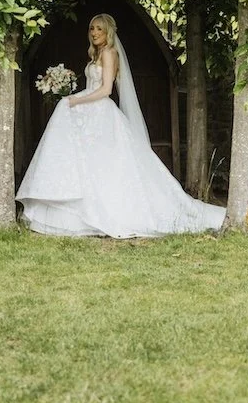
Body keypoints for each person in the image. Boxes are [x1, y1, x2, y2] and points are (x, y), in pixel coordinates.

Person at [16, 14, 226, 238]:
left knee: (106, 161)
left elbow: (106, 90)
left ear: (108, 32)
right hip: (89, 111)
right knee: (87, 161)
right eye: (91, 28)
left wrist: (76, 100)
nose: (94, 33)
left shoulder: (109, 53)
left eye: (99, 29)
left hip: (101, 112)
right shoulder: (96, 55)